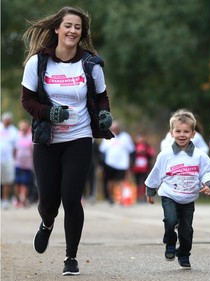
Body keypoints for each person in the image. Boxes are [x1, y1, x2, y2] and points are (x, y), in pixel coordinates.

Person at [21, 6, 114, 276]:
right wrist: (48, 112)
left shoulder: (91, 63)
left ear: (81, 33)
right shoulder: (38, 63)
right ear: (57, 30)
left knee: (72, 198)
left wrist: (105, 114)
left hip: (79, 137)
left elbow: (102, 96)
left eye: (78, 27)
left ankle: (70, 257)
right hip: (47, 140)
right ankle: (47, 223)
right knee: (49, 201)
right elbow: (27, 101)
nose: (73, 31)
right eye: (69, 26)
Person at [145, 109, 210, 269]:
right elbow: (156, 172)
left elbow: (209, 172)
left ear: (193, 134)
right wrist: (150, 189)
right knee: (171, 220)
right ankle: (170, 243)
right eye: (178, 131)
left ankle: (184, 254)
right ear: (171, 132)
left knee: (187, 231)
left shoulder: (199, 155)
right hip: (169, 195)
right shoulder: (165, 155)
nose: (182, 135)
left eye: (186, 131)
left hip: (188, 198)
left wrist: (209, 184)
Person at [99, 120, 135, 204]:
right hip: (110, 163)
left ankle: (122, 199)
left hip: (122, 163)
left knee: (122, 181)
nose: (115, 129)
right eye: (113, 128)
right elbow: (102, 151)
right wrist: (102, 164)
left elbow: (132, 150)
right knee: (110, 181)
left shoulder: (126, 137)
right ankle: (110, 197)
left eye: (116, 128)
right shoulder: (108, 136)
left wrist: (132, 162)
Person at [14, 119, 34, 208]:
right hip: (18, 163)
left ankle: (24, 201)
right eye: (23, 126)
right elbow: (14, 149)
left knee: (26, 182)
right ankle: (17, 200)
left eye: (25, 126)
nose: (24, 128)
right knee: (17, 182)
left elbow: (33, 150)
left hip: (28, 164)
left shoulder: (31, 137)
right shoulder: (17, 136)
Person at [0, 112, 18, 210]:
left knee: (7, 181)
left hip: (8, 159)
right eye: (6, 119)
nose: (7, 121)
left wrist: (14, 159)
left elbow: (16, 148)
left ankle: (5, 200)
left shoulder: (14, 131)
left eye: (9, 119)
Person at [131, 132, 155, 202]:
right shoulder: (134, 146)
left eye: (142, 138)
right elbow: (131, 154)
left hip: (145, 168)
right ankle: (137, 197)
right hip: (136, 168)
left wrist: (145, 151)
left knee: (145, 183)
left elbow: (152, 154)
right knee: (137, 183)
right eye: (139, 138)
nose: (141, 140)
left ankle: (144, 197)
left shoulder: (147, 146)